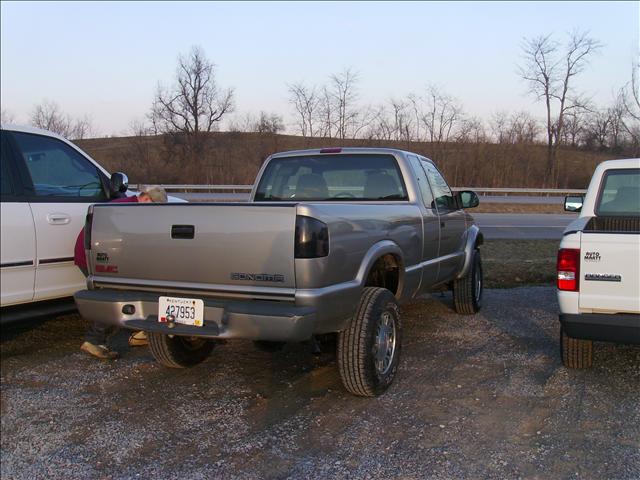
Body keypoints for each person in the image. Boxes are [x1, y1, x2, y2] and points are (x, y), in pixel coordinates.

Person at [75, 186, 168, 359]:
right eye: (156, 207)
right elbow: (127, 242)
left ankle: (142, 332)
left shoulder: (127, 206)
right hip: (97, 258)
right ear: (147, 199)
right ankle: (94, 341)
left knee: (129, 291)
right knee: (116, 298)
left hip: (95, 256)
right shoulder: (127, 211)